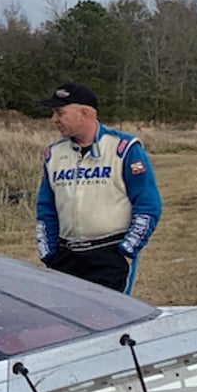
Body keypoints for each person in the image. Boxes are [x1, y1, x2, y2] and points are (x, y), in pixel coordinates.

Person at [33, 82, 162, 294]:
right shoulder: (53, 154)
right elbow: (45, 209)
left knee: (110, 321)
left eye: (60, 112)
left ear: (84, 113)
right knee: (69, 322)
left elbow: (148, 205)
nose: (54, 120)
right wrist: (49, 255)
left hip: (109, 254)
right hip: (66, 257)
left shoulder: (124, 148)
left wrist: (127, 251)